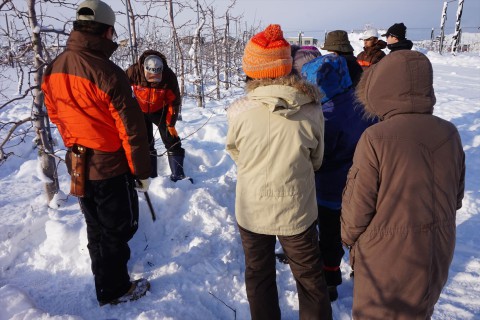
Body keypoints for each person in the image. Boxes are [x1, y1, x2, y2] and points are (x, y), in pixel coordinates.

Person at [41, 0, 151, 306]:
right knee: (118, 228)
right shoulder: (109, 73)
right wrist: (141, 172)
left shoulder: (54, 67)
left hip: (77, 162)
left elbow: (55, 114)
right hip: (109, 166)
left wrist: (76, 140)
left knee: (95, 226)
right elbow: (132, 132)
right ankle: (114, 289)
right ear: (107, 31)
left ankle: (104, 281)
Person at [341, 50, 465, 318]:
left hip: (387, 257)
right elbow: (456, 198)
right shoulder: (449, 133)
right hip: (436, 251)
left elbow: (357, 210)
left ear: (380, 87)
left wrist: (349, 240)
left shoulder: (375, 137)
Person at [226, 24, 332, 320]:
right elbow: (317, 159)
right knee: (310, 279)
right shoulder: (312, 109)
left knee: (258, 276)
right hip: (296, 210)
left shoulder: (239, 111)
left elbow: (235, 151)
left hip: (251, 209)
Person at [301, 54, 376, 302]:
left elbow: (319, 158)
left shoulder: (324, 116)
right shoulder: (364, 106)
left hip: (330, 191)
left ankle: (330, 280)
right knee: (361, 231)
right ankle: (363, 272)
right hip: (363, 186)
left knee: (330, 237)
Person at [126, 50, 190, 182]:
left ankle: (178, 175)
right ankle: (150, 176)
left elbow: (174, 101)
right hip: (140, 111)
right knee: (146, 142)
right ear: (144, 69)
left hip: (161, 110)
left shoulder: (169, 76)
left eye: (157, 76)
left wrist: (170, 123)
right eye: (150, 76)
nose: (154, 79)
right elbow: (120, 89)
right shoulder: (133, 72)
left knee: (172, 140)